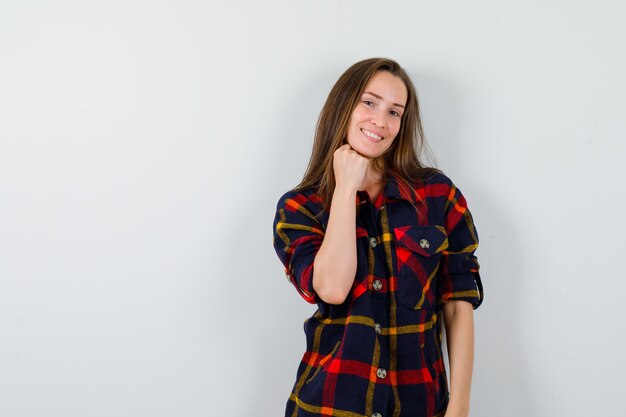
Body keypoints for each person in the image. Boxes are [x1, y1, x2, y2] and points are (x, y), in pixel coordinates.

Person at [272, 57, 484, 417]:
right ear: (344, 105)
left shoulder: (437, 195)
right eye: (369, 103)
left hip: (420, 404)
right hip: (330, 404)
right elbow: (332, 289)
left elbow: (457, 303)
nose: (380, 121)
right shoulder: (300, 208)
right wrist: (346, 189)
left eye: (394, 112)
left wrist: (460, 405)